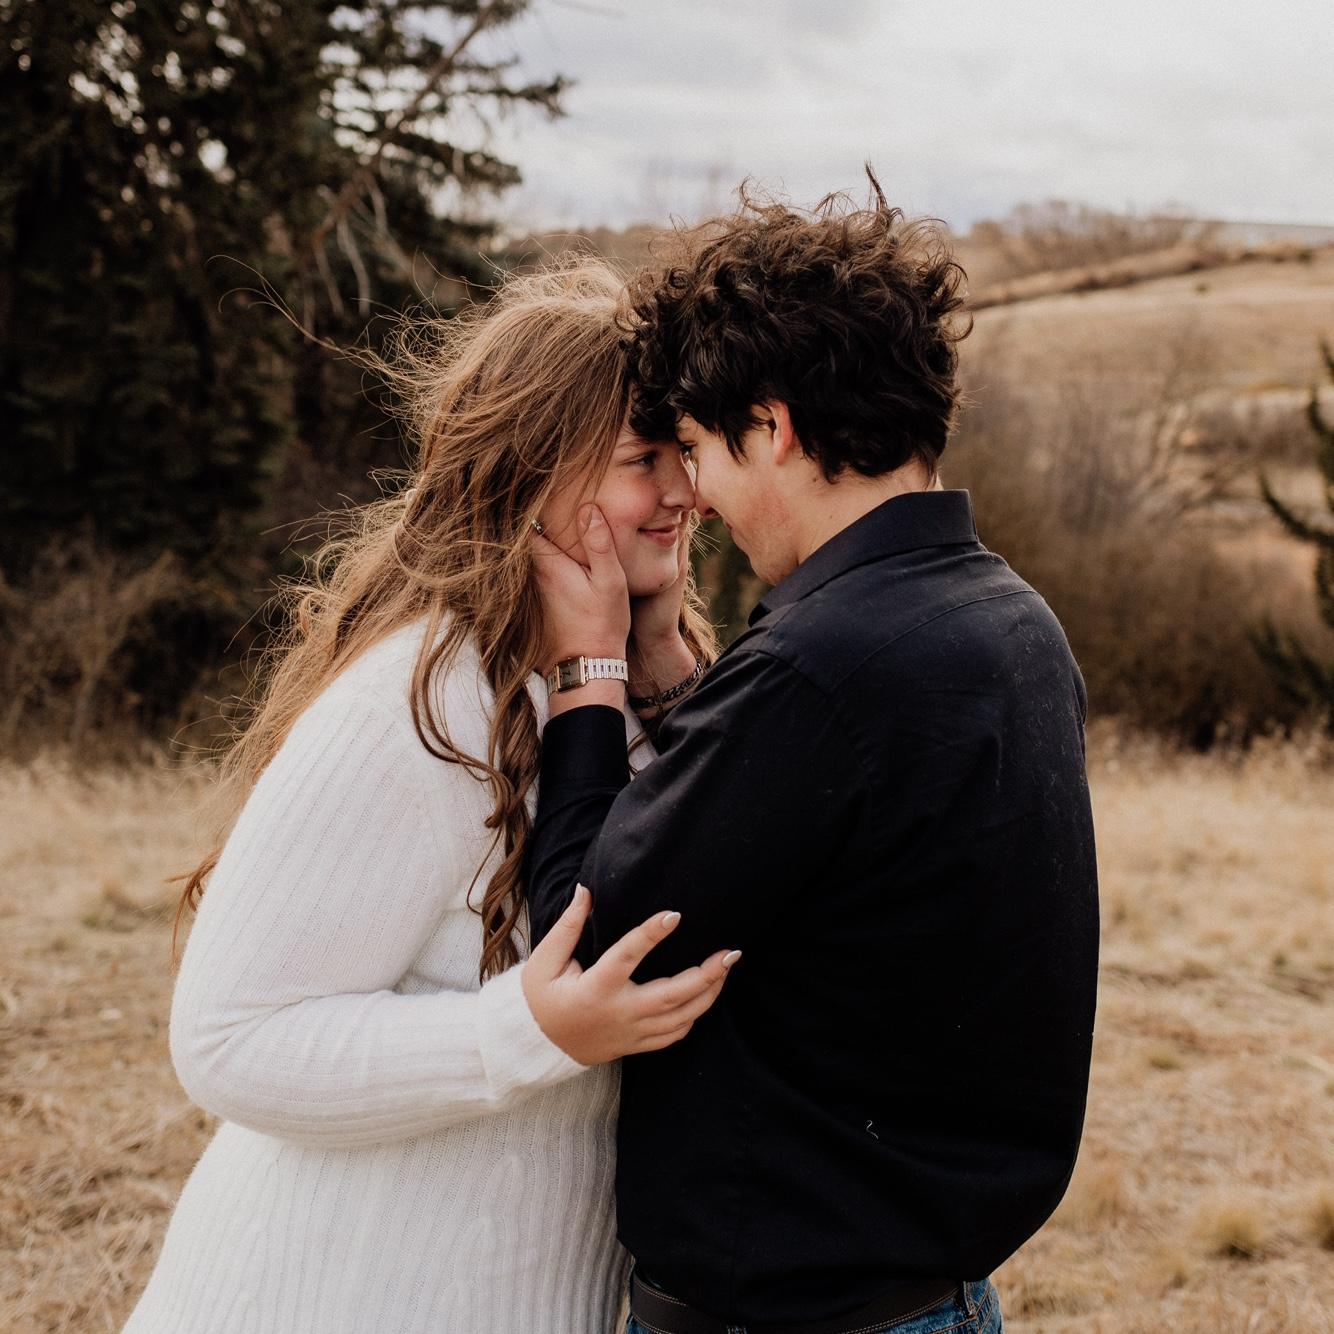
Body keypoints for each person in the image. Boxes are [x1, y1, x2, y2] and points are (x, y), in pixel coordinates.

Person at [524, 181, 1100, 1334]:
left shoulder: (823, 665)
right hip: (935, 1296)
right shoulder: (1009, 620)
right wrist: (664, 654)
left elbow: (584, 945)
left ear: (772, 427)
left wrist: (587, 666)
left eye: (696, 448)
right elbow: (783, 832)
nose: (692, 495)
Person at [123, 259, 739, 1334]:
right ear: (533, 474)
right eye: (644, 460)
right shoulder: (421, 698)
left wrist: (665, 668)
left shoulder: (624, 683)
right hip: (321, 1300)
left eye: (685, 453)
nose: (686, 492)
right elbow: (226, 1037)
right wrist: (523, 1029)